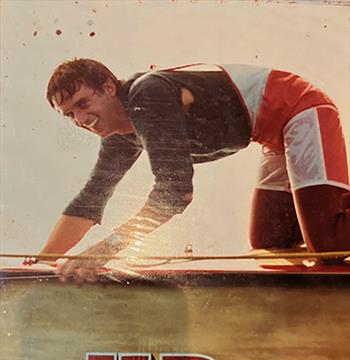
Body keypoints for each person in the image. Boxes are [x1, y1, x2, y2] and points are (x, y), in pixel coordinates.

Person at [24, 58, 350, 282]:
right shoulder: (120, 135)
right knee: (270, 243)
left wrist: (101, 254)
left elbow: (175, 193)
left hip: (298, 108)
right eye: (70, 115)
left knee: (329, 246)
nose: (81, 120)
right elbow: (90, 200)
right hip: (272, 138)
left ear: (109, 87)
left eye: (83, 104)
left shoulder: (146, 95)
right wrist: (37, 267)